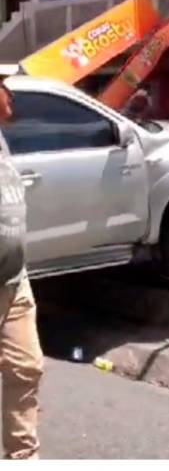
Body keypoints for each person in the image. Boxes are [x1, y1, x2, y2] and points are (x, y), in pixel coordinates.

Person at [0, 81, 43, 459]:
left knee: (26, 368)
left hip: (14, 281)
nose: (10, 95)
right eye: (1, 86)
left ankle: (22, 459)